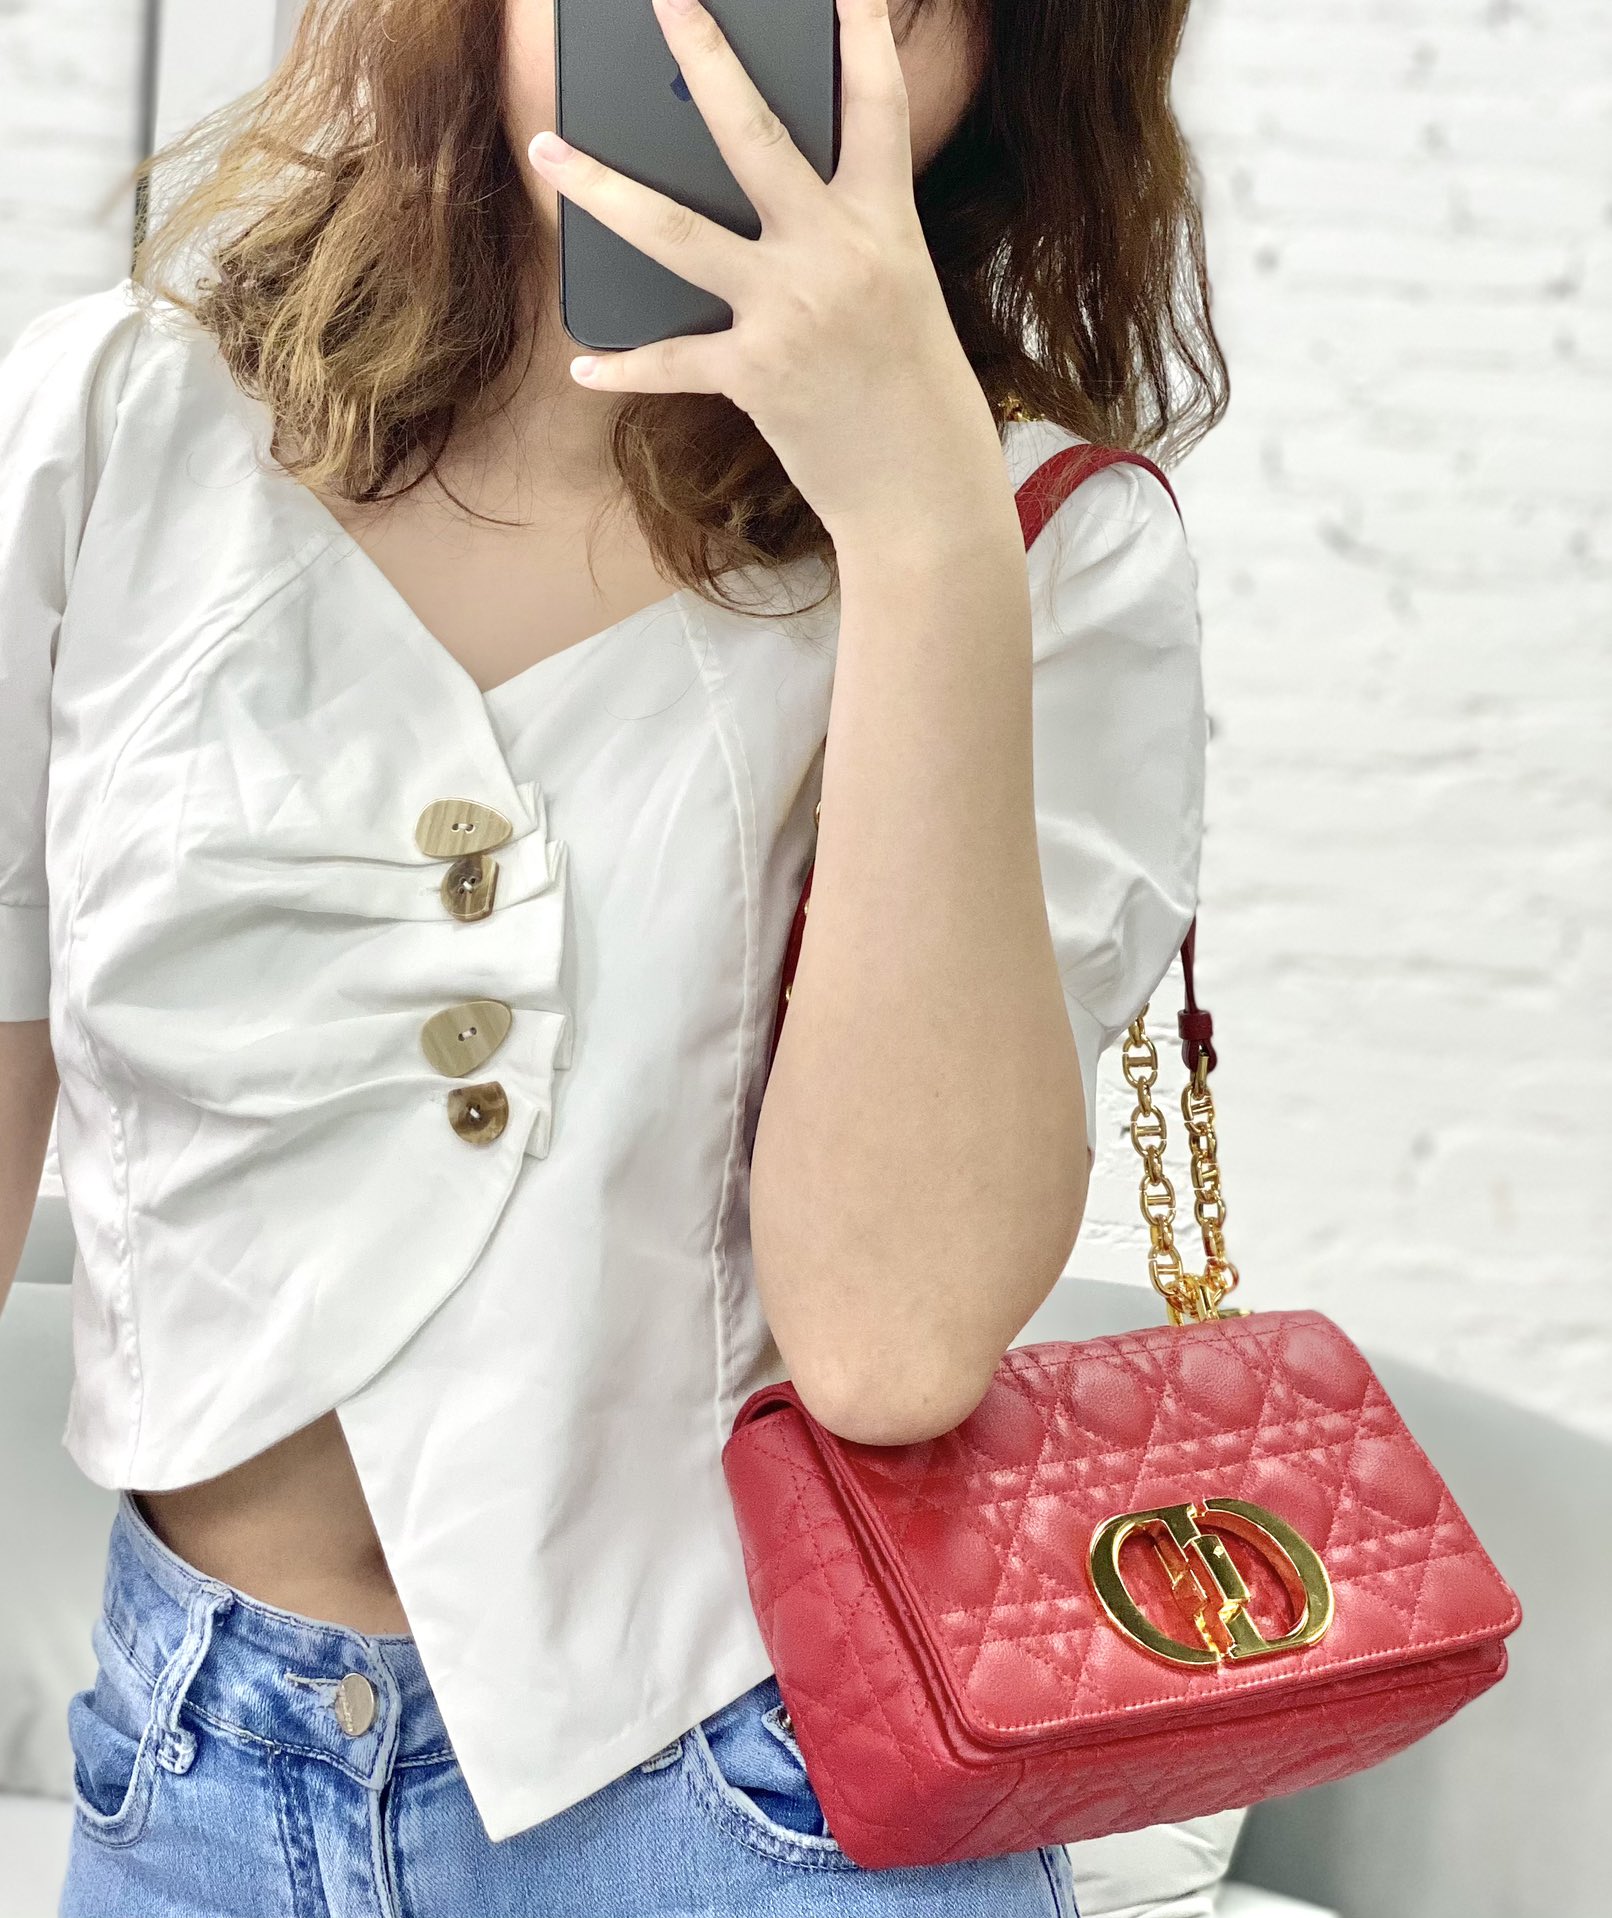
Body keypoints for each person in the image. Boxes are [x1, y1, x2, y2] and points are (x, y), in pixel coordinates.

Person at [0, 0, 1223, 1910]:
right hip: (196, 1784)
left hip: (776, 1801)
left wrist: (917, 527)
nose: (760, 46)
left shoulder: (1041, 553)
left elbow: (891, 1343)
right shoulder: (113, 432)